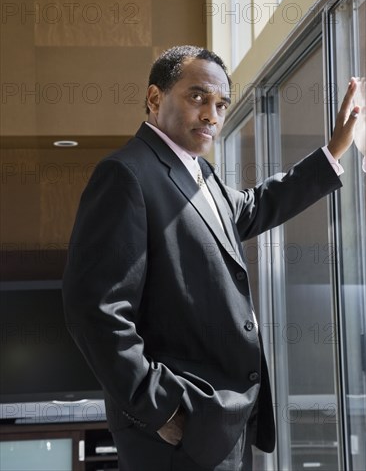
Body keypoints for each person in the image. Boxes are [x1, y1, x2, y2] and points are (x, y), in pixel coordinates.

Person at [62, 46, 360, 471]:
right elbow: (95, 310)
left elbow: (256, 205)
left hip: (219, 422)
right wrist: (162, 410)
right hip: (177, 428)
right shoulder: (126, 175)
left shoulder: (199, 172)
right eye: (197, 97)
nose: (212, 114)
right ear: (154, 98)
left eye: (221, 104)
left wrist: (333, 151)